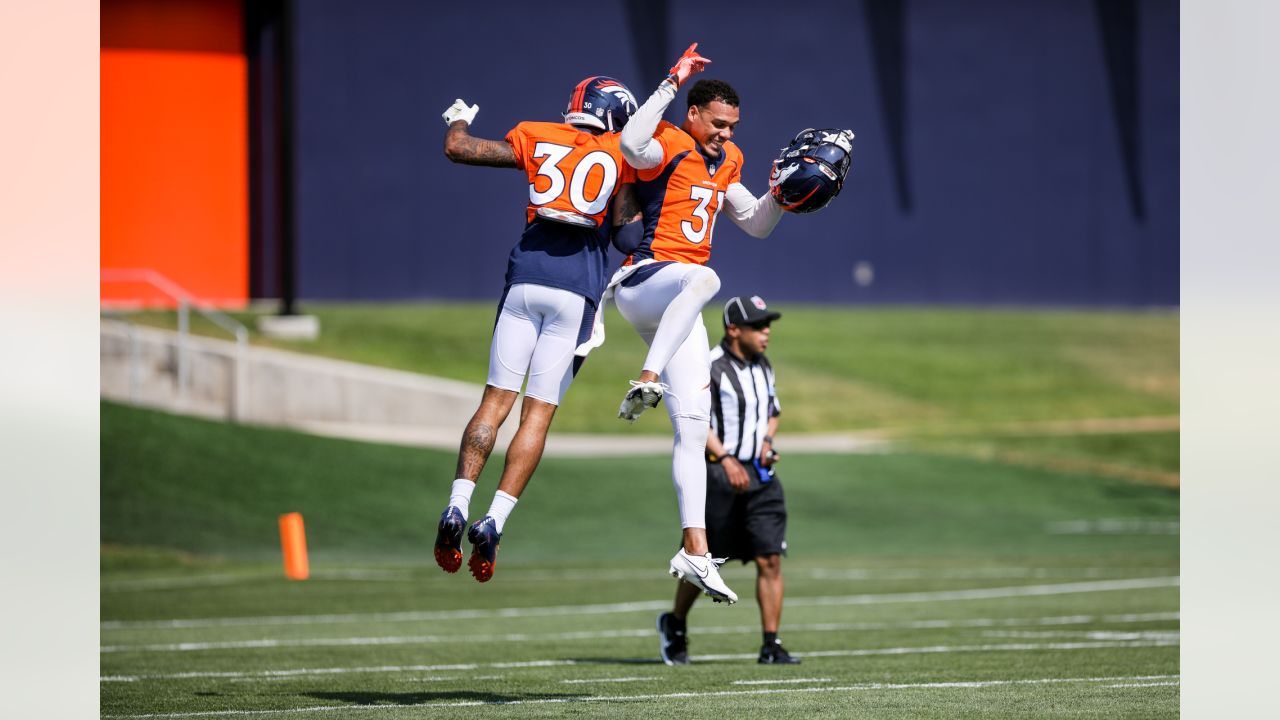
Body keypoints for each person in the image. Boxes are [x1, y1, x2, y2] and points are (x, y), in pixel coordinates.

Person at [432, 77, 640, 583]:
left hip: (525, 278)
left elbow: (458, 148)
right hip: (576, 291)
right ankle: (495, 521)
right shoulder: (621, 155)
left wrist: (458, 116)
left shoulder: (535, 134)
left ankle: (457, 505)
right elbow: (626, 235)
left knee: (493, 402)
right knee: (537, 415)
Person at [609, 44, 788, 605]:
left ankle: (694, 549)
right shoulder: (670, 139)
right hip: (646, 283)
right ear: (693, 114)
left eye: (733, 127)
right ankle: (646, 377)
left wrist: (781, 195)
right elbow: (631, 144)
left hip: (677, 305)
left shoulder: (728, 162)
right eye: (718, 124)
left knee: (692, 425)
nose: (725, 135)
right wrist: (671, 79)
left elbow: (756, 224)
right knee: (706, 278)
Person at [657, 295, 800, 665]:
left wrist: (767, 442)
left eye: (767, 325)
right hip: (718, 474)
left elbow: (772, 410)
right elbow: (692, 421)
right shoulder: (709, 367)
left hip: (761, 475)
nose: (766, 332)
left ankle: (771, 644)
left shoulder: (763, 365)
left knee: (770, 558)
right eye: (758, 325)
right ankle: (675, 624)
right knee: (703, 560)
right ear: (734, 329)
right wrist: (724, 457)